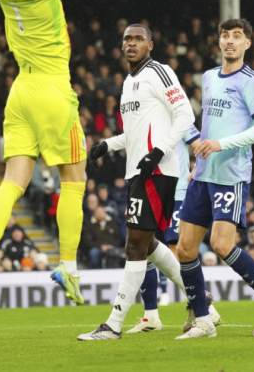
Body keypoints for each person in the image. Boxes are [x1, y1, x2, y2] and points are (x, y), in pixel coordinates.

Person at [0, 0, 87, 304]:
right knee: (74, 178)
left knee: (12, 182)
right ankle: (68, 268)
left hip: (21, 92)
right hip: (51, 89)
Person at [78, 24, 196, 341]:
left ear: (150, 45)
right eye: (128, 39)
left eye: (138, 39)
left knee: (135, 245)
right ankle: (203, 302)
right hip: (138, 171)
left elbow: (186, 116)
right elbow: (135, 133)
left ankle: (113, 324)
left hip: (156, 171)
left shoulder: (159, 72)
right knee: (149, 244)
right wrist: (108, 144)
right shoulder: (129, 82)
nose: (132, 43)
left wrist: (158, 152)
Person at [176, 18, 254, 339]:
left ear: (246, 44)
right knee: (185, 248)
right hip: (203, 174)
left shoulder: (252, 80)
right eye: (225, 35)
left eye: (237, 37)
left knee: (221, 244)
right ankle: (203, 321)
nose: (230, 41)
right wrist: (195, 158)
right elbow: (210, 123)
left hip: (231, 175)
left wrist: (221, 145)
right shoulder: (209, 76)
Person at [127, 125, 221, 334]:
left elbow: (200, 145)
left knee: (177, 250)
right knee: (146, 250)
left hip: (176, 193)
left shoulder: (177, 116)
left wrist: (197, 169)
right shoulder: (147, 118)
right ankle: (150, 316)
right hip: (151, 192)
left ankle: (206, 306)